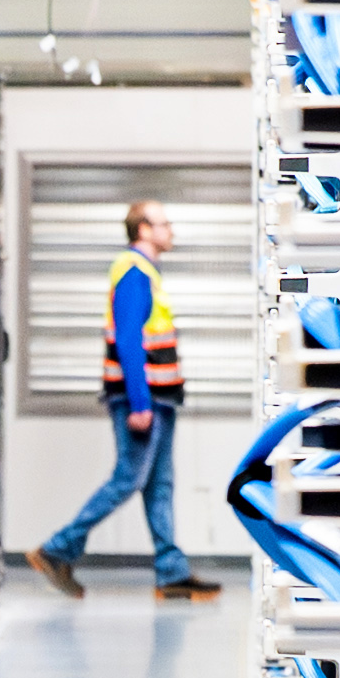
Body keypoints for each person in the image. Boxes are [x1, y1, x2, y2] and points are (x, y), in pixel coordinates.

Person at [31, 200, 205, 601]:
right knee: (128, 479)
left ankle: (172, 573)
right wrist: (140, 404)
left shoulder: (145, 272)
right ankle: (57, 548)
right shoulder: (133, 272)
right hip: (142, 400)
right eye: (164, 223)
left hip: (160, 397)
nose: (171, 231)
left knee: (159, 485)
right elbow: (128, 341)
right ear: (143, 229)